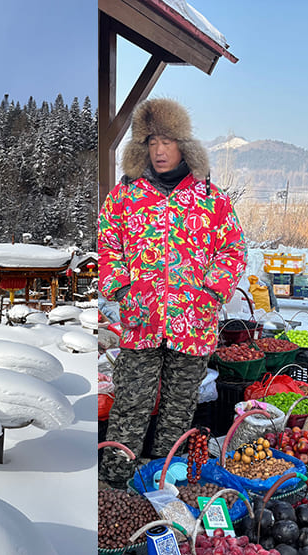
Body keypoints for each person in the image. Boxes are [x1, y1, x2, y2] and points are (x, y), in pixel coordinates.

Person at [96, 98, 247, 487]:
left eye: (166, 141)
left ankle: (163, 481)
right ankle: (114, 484)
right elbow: (108, 243)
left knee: (179, 408)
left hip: (192, 322)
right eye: (150, 142)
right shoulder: (126, 196)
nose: (159, 151)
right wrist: (121, 286)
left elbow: (233, 248)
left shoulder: (210, 199)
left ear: (183, 145)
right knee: (131, 405)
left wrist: (213, 289)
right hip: (141, 320)